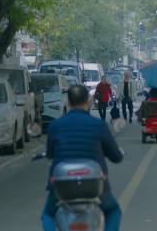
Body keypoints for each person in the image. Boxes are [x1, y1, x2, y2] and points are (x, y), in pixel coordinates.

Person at [42, 85, 124, 231]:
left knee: (48, 214)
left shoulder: (55, 125)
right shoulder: (98, 125)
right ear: (88, 101)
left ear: (68, 102)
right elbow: (116, 157)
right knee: (113, 211)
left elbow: (50, 154)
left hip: (62, 187)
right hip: (94, 187)